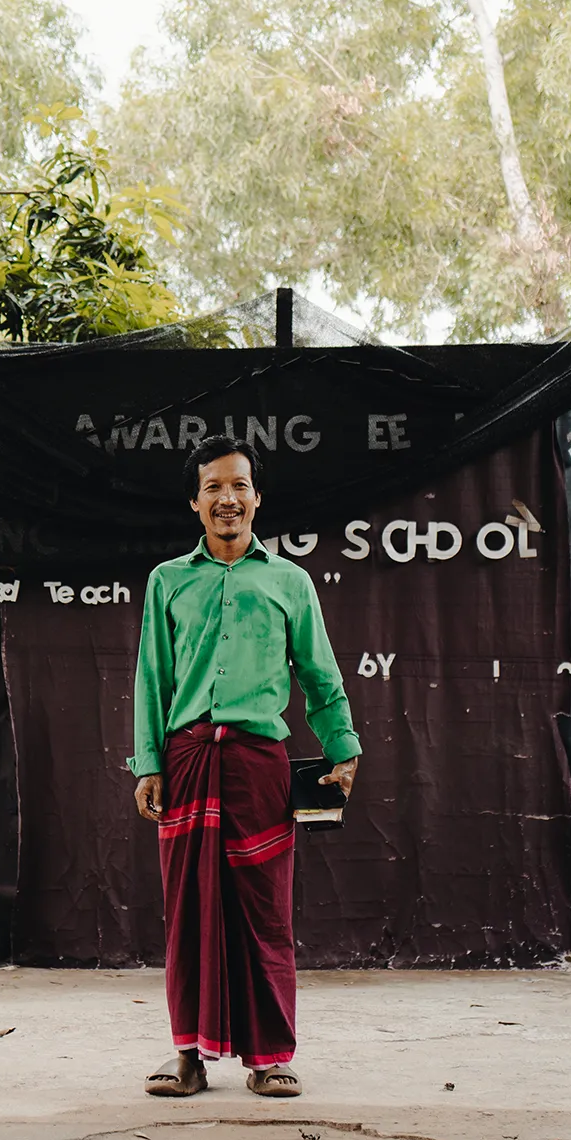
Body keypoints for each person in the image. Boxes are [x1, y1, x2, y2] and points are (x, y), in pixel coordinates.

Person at [128, 434, 361, 1098]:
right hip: (188, 760)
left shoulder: (289, 582)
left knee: (265, 912)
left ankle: (268, 1057)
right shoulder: (167, 581)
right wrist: (149, 763)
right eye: (213, 489)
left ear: (257, 499)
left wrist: (343, 750)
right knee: (189, 911)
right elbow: (152, 679)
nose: (227, 499)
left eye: (238, 486)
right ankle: (189, 1056)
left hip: (260, 763)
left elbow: (320, 676)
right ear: (195, 504)